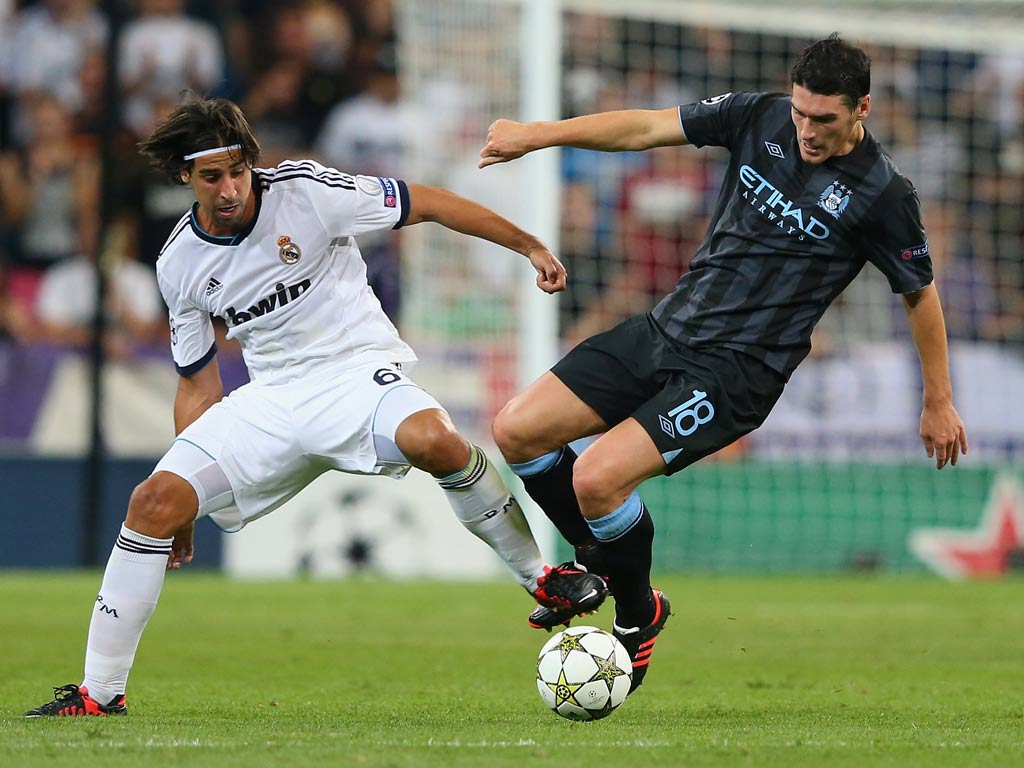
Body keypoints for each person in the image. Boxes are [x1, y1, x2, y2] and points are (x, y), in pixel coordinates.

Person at [24, 95, 606, 717]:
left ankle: (542, 579)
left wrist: (531, 247)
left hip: (357, 372)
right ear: (184, 177)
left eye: (237, 170)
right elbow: (196, 384)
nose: (229, 189)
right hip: (271, 398)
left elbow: (429, 202)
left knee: (436, 439)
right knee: (151, 502)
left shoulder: (306, 191)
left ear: (251, 162)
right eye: (211, 176)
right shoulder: (179, 263)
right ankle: (98, 694)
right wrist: (186, 511)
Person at [479, 34, 969, 695]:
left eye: (823, 118)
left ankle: (635, 615)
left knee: (597, 477)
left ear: (863, 110)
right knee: (517, 430)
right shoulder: (758, 116)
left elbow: (920, 296)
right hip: (666, 330)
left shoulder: (884, 195)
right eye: (800, 112)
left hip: (737, 372)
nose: (806, 130)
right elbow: (646, 129)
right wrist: (537, 134)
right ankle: (600, 564)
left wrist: (938, 400)